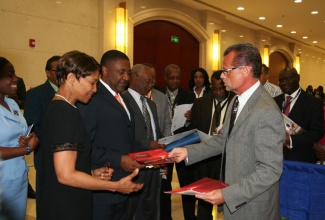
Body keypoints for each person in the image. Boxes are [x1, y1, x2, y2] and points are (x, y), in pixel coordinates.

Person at [169, 43, 285, 219]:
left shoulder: (266, 110)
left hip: (252, 208)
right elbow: (223, 139)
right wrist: (187, 152)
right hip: (235, 202)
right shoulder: (236, 101)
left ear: (245, 70)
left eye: (226, 70)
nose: (222, 76)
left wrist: (227, 195)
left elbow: (270, 170)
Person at [38, 50, 143, 220]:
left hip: (65, 198)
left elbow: (66, 163)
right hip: (66, 204)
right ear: (71, 78)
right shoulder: (65, 113)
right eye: (92, 83)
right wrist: (115, 186)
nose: (95, 89)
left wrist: (91, 173)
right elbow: (66, 175)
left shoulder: (60, 107)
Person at [77, 50, 144, 220]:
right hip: (103, 184)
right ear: (104, 70)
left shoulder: (124, 98)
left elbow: (125, 137)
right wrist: (119, 159)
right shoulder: (92, 97)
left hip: (124, 182)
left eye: (128, 72)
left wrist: (147, 157)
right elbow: (85, 144)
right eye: (121, 72)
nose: (126, 77)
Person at [187, 70, 235, 220]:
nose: (219, 92)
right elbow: (193, 128)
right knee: (203, 201)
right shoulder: (200, 103)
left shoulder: (236, 102)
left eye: (222, 88)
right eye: (215, 89)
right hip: (205, 159)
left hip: (227, 159)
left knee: (228, 199)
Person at [122, 64, 164, 220]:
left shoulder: (151, 104)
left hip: (153, 166)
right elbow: (124, 135)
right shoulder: (122, 100)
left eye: (153, 81)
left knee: (151, 209)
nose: (151, 85)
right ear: (134, 77)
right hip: (133, 165)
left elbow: (154, 132)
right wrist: (149, 145)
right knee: (131, 210)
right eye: (148, 80)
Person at [0, 57, 39, 220]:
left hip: (18, 177)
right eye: (10, 75)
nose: (16, 79)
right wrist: (27, 148)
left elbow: (22, 130)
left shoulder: (12, 103)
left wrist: (28, 138)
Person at [158, 64, 196, 220]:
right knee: (164, 185)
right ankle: (166, 217)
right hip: (164, 145)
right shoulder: (157, 93)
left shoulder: (189, 96)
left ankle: (189, 216)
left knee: (186, 184)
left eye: (178, 78)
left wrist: (189, 119)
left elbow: (194, 123)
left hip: (182, 143)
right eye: (171, 77)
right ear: (165, 78)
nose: (175, 81)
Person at [24, 55, 61, 208]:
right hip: (46, 154)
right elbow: (33, 126)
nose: (62, 74)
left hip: (71, 156)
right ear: (47, 72)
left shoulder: (74, 93)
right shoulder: (36, 94)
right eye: (57, 70)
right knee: (46, 201)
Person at [274, 66, 324, 163]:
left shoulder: (313, 103)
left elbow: (317, 132)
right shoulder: (274, 102)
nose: (283, 83)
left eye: (287, 79)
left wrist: (291, 140)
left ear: (298, 78)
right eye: (281, 80)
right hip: (275, 158)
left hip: (301, 160)